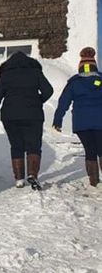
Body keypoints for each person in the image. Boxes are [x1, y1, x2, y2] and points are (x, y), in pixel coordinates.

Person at [0, 51, 54, 190]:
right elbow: (48, 90)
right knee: (34, 146)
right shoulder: (35, 73)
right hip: (33, 115)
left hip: (10, 116)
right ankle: (33, 175)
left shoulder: (5, 76)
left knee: (16, 146)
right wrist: (38, 101)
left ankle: (19, 179)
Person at [53, 47, 102, 187]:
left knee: (90, 150)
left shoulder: (73, 83)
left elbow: (63, 102)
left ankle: (94, 181)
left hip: (82, 124)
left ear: (81, 66)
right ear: (94, 65)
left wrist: (58, 121)